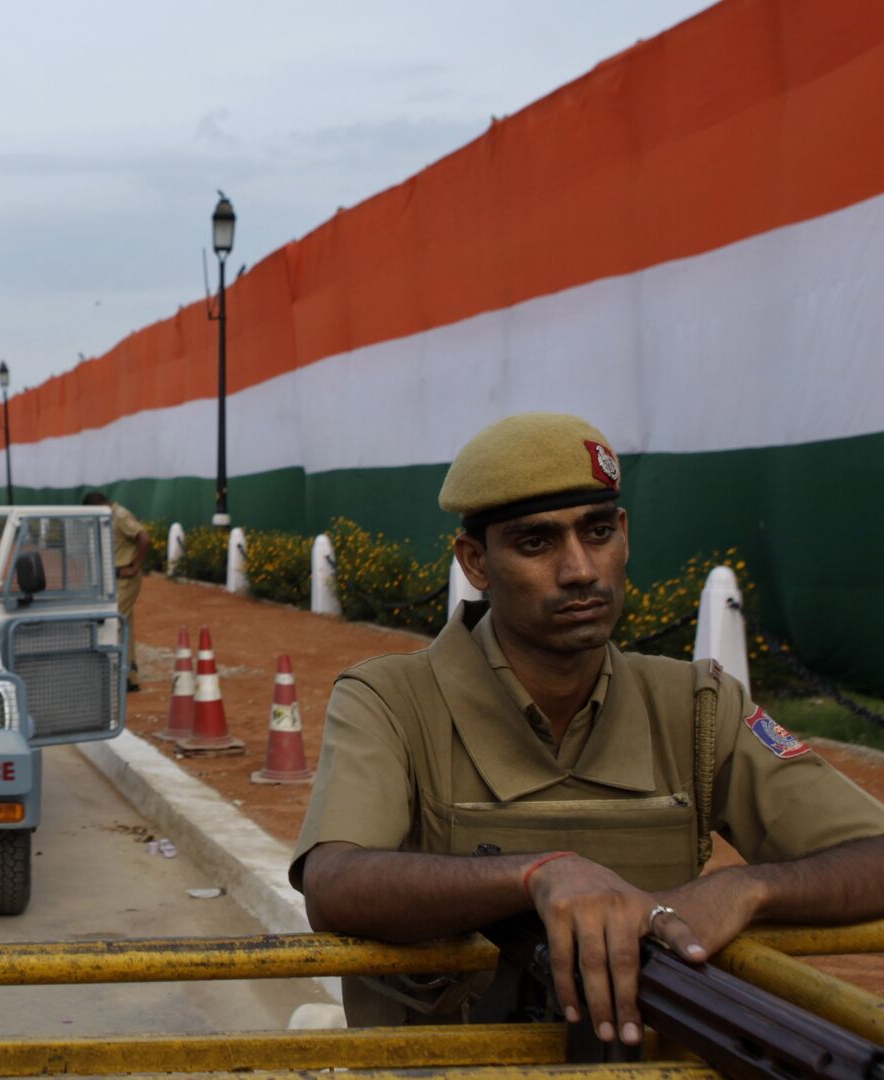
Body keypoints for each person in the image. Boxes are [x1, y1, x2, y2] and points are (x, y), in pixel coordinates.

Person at [292, 413, 884, 1043]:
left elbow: (871, 854)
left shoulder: (697, 705)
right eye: (536, 543)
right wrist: (539, 874)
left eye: (597, 532)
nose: (580, 570)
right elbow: (335, 883)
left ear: (623, 535)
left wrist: (748, 887)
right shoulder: (390, 699)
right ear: (475, 561)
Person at [84, 493, 151, 691]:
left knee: (113, 622)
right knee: (125, 624)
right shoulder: (110, 516)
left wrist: (135, 566)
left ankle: (112, 675)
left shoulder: (119, 515)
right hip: (116, 577)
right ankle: (129, 675)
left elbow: (144, 539)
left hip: (125, 577)